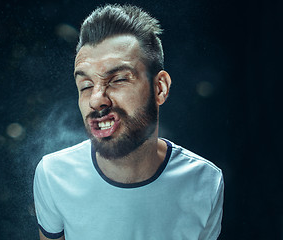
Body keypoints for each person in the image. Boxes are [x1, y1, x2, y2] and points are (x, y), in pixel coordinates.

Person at [33, 4, 224, 240]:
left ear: (160, 88)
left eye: (119, 79)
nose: (96, 100)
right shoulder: (53, 175)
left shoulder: (205, 182)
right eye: (86, 85)